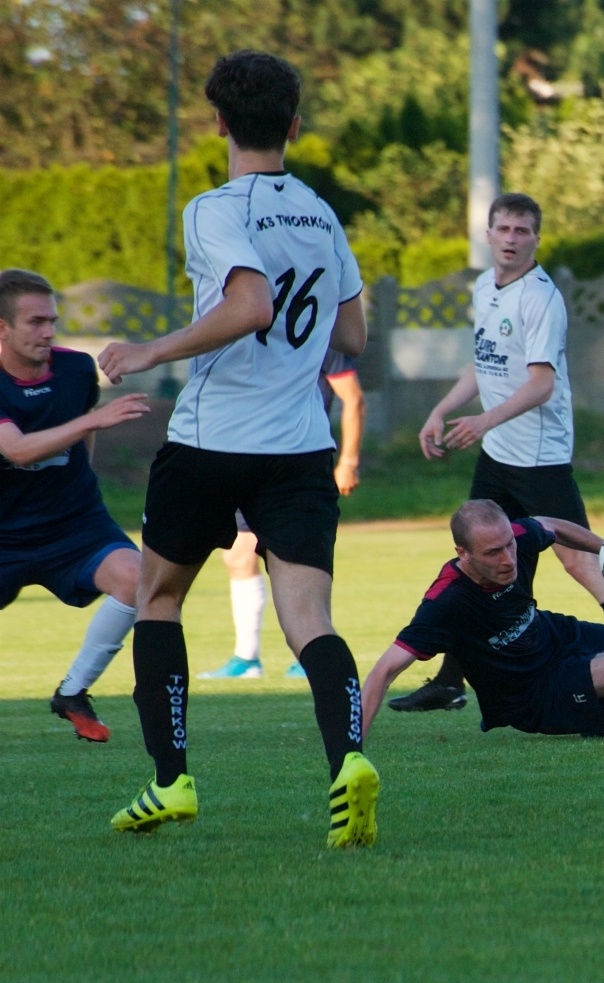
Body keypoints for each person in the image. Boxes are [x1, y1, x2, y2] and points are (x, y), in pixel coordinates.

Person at [97, 50, 379, 847]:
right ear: (293, 126)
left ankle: (171, 779)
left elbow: (251, 303)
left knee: (157, 597)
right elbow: (353, 333)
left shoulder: (211, 209)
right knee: (309, 619)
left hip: (211, 438)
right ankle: (348, 760)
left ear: (218, 122)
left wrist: (155, 351)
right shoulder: (323, 215)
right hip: (298, 446)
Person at [388, 192, 604, 713]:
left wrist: (481, 421)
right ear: (488, 233)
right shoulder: (485, 287)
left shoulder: (541, 298)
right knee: (476, 558)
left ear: (536, 239)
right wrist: (441, 410)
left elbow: (541, 385)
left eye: (521, 231)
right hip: (499, 452)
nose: (510, 239)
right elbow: (483, 365)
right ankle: (453, 680)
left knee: (582, 562)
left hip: (539, 456)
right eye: (502, 229)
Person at [361, 500, 604, 741]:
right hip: (535, 690)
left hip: (555, 634)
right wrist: (350, 748)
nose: (508, 559)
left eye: (510, 545)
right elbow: (384, 670)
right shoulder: (445, 602)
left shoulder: (515, 537)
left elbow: (550, 525)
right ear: (463, 553)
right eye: (493, 553)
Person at [0, 269, 149, 743]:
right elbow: (17, 450)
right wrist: (99, 419)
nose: (48, 332)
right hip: (4, 533)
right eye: (35, 322)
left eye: (53, 321)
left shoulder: (76, 369)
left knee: (139, 579)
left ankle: (73, 692)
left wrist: (81, 483)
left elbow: (82, 435)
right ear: (2, 328)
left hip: (73, 525)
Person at [198, 349, 365, 680]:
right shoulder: (252, 339)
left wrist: (348, 461)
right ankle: (246, 658)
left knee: (298, 562)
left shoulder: (323, 345)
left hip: (297, 464)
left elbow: (354, 399)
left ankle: (309, 655)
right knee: (238, 556)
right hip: (249, 459)